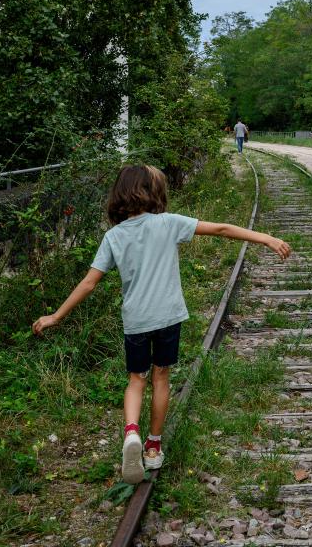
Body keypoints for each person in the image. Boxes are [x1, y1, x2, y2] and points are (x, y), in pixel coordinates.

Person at [32, 164, 290, 484]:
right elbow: (221, 229)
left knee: (136, 380)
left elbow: (89, 283)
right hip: (167, 317)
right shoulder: (168, 223)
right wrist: (264, 238)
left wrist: (56, 316)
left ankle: (131, 434)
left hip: (136, 321)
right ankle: (153, 448)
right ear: (151, 192)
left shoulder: (113, 237)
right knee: (161, 378)